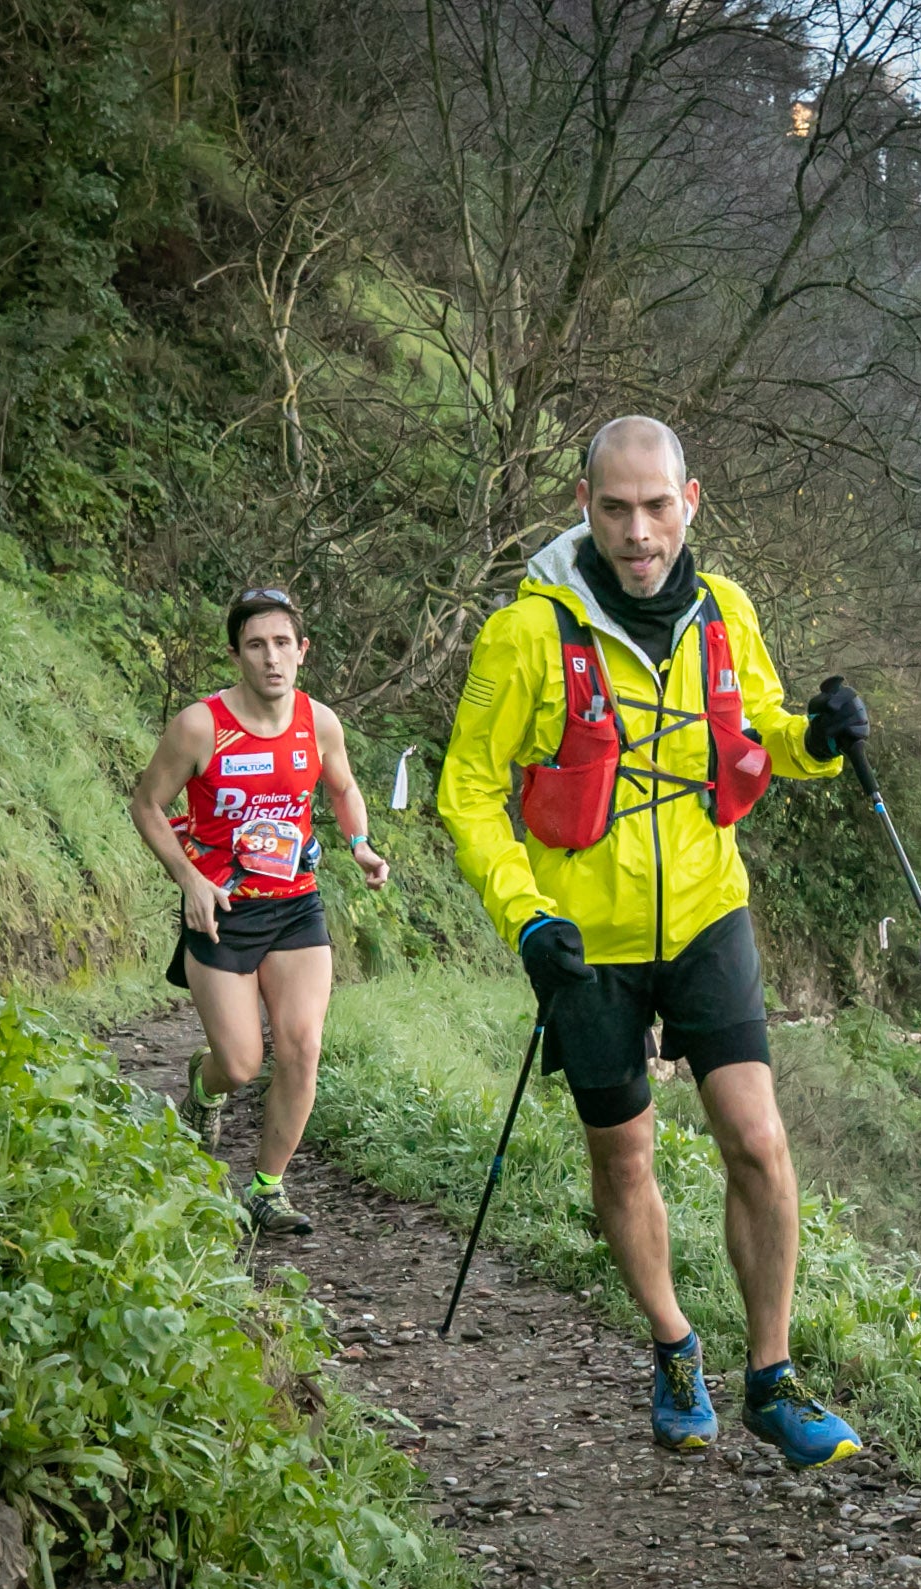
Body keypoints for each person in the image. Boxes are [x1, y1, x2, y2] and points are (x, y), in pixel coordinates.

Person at [438, 415, 871, 1469]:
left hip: (708, 910)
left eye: (656, 506)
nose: (639, 531)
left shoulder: (727, 612)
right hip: (584, 939)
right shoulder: (526, 636)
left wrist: (816, 742)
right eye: (616, 508)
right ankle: (675, 1346)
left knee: (757, 1141)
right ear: (584, 508)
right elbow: (466, 793)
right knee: (623, 1152)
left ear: (690, 503)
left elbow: (757, 727)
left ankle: (769, 1378)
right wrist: (524, 916)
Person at [130, 588, 390, 1236]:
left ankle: (267, 1189)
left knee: (302, 1046)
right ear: (235, 654)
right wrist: (187, 878)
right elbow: (145, 805)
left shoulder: (318, 722)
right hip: (219, 911)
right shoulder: (200, 726)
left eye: (282, 643)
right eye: (255, 645)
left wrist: (358, 845)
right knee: (241, 1063)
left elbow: (344, 786)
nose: (270, 658)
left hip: (296, 907)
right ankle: (205, 1083)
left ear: (302, 651)